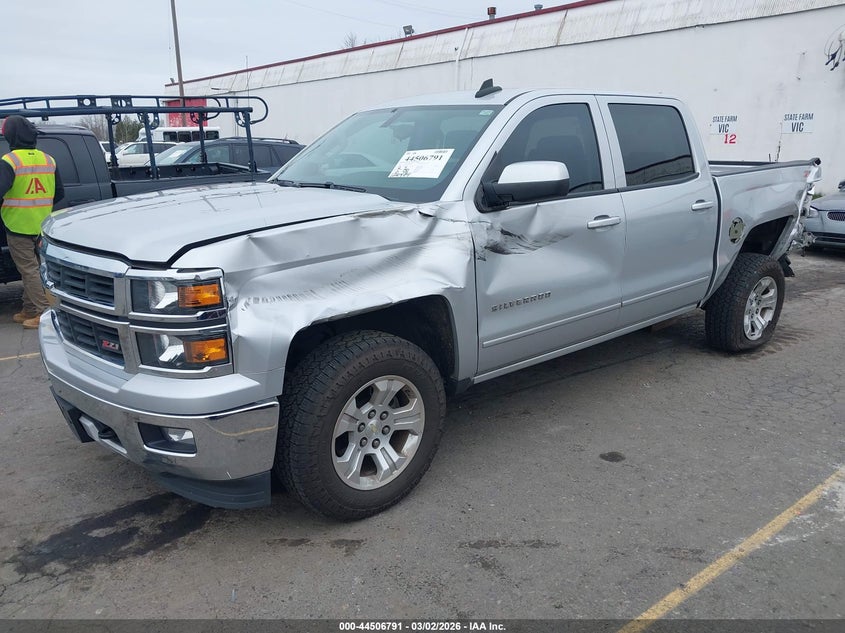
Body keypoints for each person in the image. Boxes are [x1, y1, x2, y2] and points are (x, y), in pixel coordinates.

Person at [0, 115, 64, 329]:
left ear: (10, 136)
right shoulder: (48, 159)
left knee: (29, 270)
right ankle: (29, 308)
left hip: (18, 225)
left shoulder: (10, 161)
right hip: (42, 224)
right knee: (35, 269)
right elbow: (59, 194)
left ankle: (42, 312)